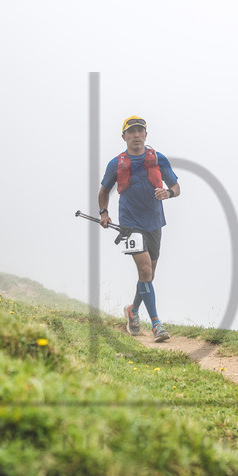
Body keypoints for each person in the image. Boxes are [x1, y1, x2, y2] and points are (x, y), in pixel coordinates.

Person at [98, 115, 180, 343]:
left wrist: (169, 193)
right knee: (144, 271)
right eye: (131, 131)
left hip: (154, 222)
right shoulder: (116, 163)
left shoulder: (158, 159)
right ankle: (156, 325)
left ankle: (132, 311)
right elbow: (103, 191)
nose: (136, 135)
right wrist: (103, 213)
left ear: (145, 135)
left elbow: (176, 186)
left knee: (149, 274)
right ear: (123, 137)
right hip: (129, 222)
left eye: (139, 131)